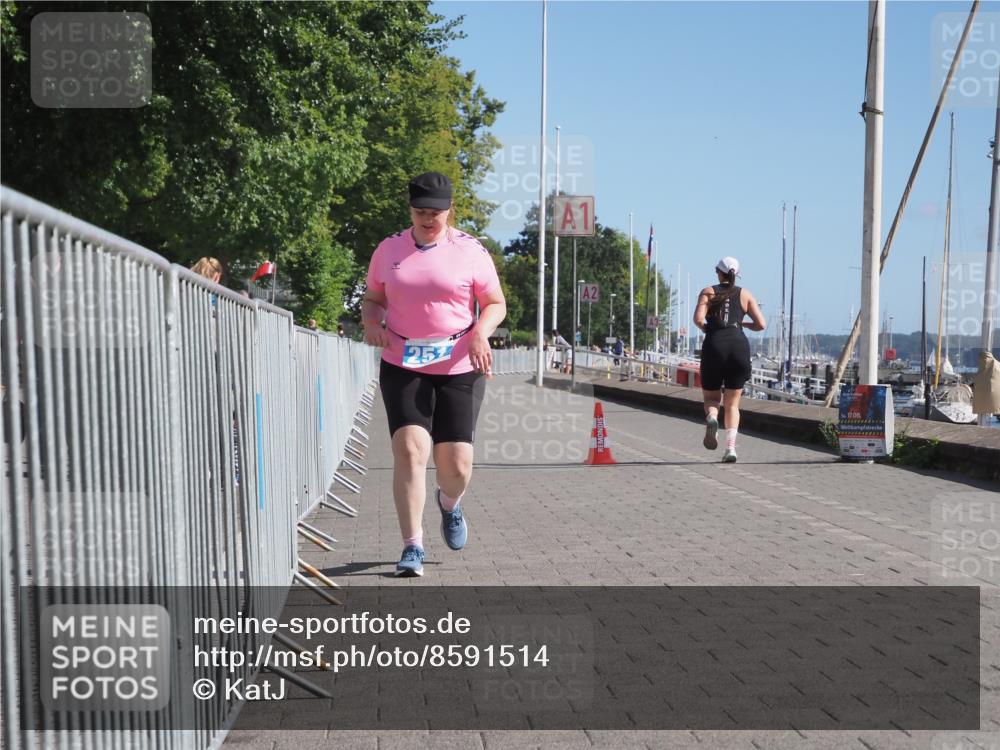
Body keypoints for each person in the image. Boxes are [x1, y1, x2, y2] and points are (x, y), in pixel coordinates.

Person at [361, 172, 506, 577]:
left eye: (436, 213)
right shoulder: (389, 249)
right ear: (410, 210)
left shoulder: (471, 250)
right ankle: (412, 545)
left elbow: (495, 303)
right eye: (420, 212)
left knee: (456, 466)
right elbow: (373, 298)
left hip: (460, 364)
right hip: (403, 362)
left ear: (449, 211)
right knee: (410, 451)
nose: (428, 219)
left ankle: (449, 503)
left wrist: (481, 333)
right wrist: (371, 322)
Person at [693, 257, 766, 462]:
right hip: (738, 346)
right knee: (732, 404)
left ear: (718, 272)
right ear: (737, 274)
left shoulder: (708, 291)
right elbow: (761, 324)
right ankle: (731, 449)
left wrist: (709, 329)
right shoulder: (745, 294)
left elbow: (698, 319)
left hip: (715, 345)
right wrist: (742, 324)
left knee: (712, 399)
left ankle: (712, 417)